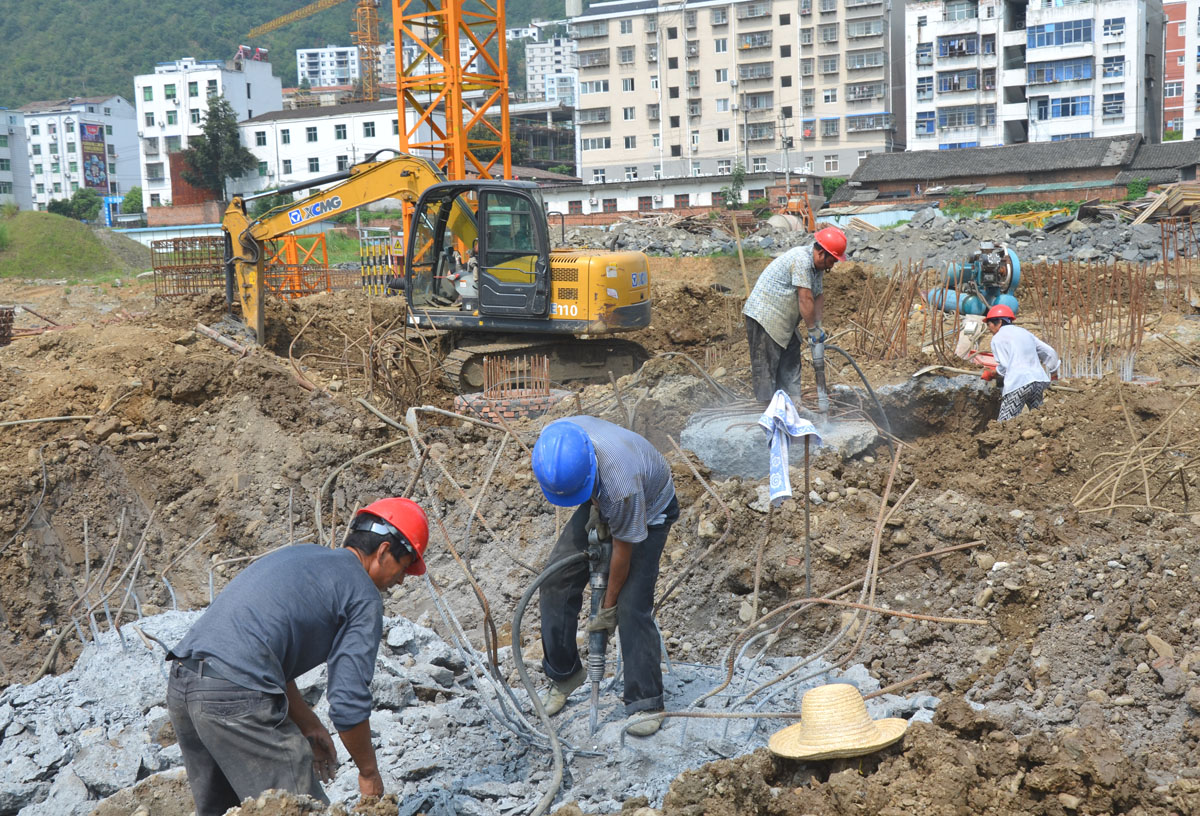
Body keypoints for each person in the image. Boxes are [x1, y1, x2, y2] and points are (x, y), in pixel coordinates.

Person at [165, 498, 430, 816]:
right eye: (404, 566)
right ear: (385, 551)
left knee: (226, 810)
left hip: (184, 683)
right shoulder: (362, 595)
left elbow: (265, 650)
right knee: (299, 809)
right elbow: (347, 700)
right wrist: (369, 773)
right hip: (234, 698)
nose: (402, 579)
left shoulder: (303, 556)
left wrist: (307, 722)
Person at [531, 417, 679, 736]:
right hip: (601, 489)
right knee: (555, 579)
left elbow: (622, 556)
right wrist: (595, 506)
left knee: (630, 606)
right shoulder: (558, 444)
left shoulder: (622, 488)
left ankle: (646, 701)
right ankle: (565, 672)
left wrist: (606, 608)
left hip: (649, 506)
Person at [742, 226, 847, 402]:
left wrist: (818, 326)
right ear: (822, 253)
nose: (833, 265)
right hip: (764, 315)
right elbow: (805, 298)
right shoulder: (801, 260)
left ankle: (793, 404)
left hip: (782, 318)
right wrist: (811, 328)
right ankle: (767, 410)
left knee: (791, 354)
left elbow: (818, 296)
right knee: (766, 368)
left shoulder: (817, 267)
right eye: (832, 260)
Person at [981, 304, 1060, 421]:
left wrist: (992, 374)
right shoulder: (1025, 333)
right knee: (1038, 418)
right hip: (1038, 381)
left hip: (1018, 383)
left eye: (989, 324)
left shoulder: (998, 338)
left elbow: (1005, 367)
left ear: (999, 322)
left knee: (1005, 424)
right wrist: (1053, 373)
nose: (989, 328)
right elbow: (1050, 352)